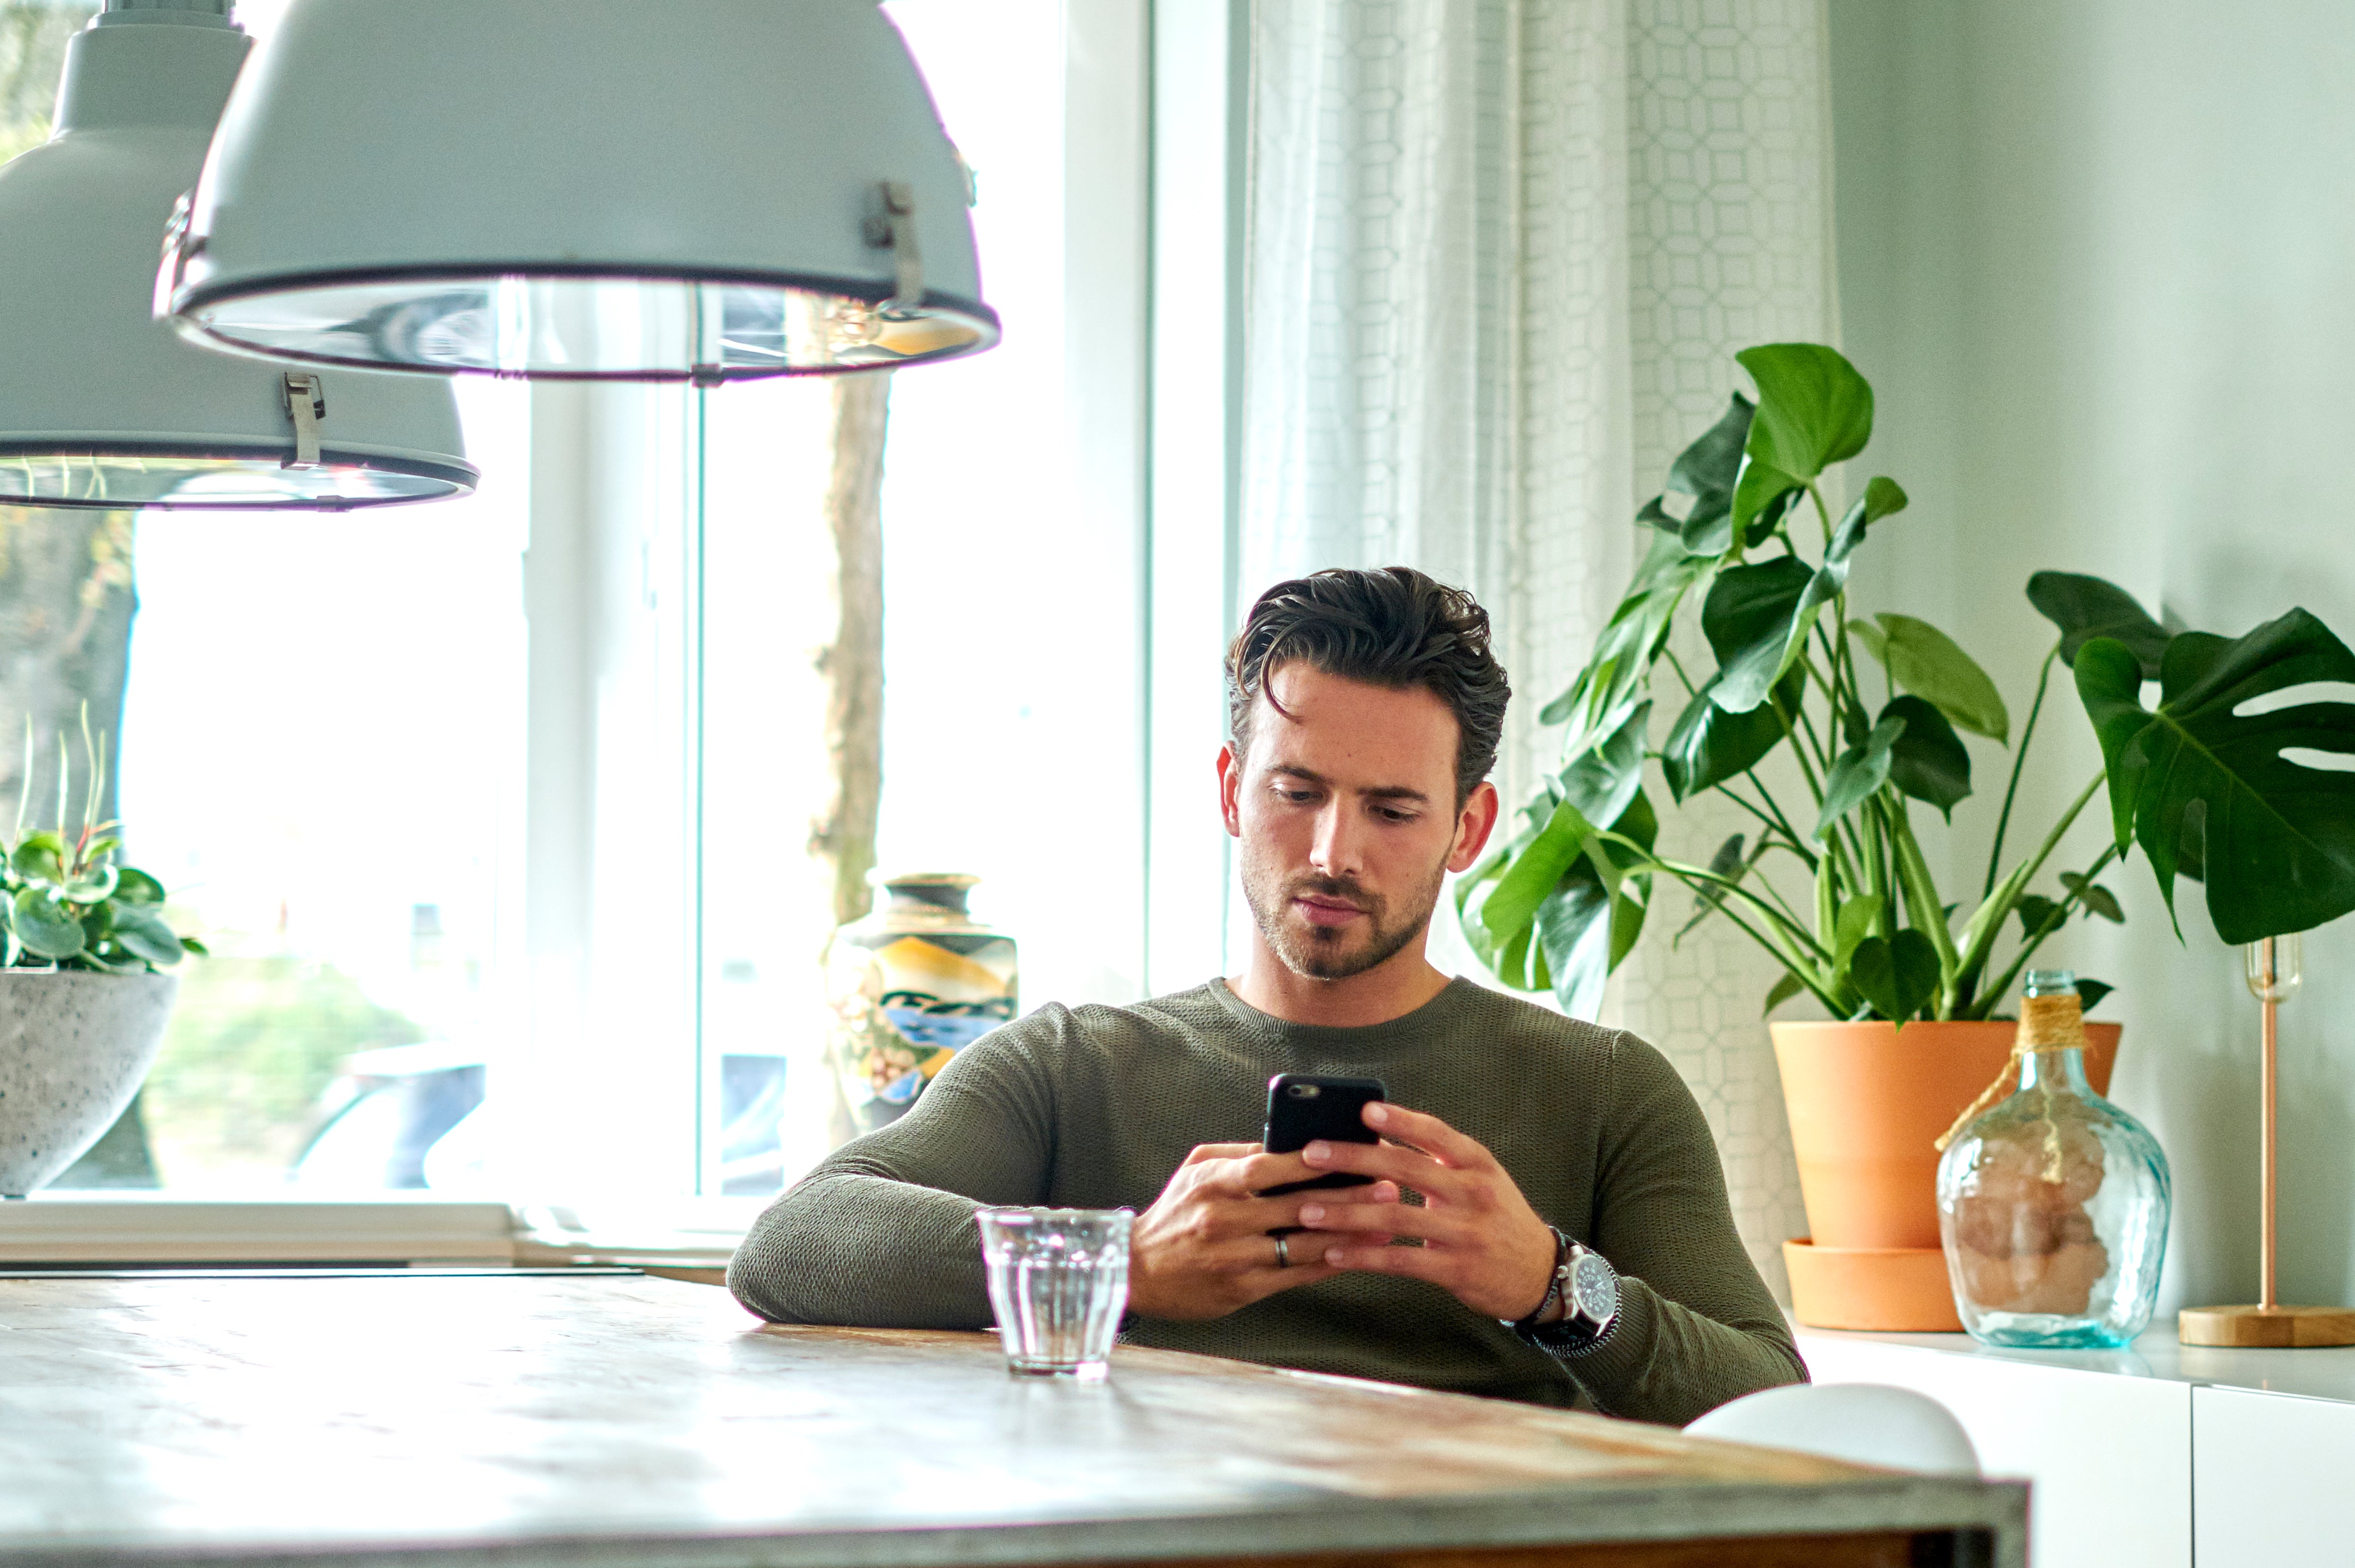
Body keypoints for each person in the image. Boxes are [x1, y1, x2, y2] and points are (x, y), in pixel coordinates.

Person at [731, 564, 1800, 1426]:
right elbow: (794, 1243)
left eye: (1391, 810)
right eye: (1298, 792)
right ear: (1233, 790)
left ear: (1468, 830)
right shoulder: (1074, 1066)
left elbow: (1771, 1400)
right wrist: (1125, 1266)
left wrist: (1553, 1283)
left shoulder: (1602, 1090)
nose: (1335, 853)